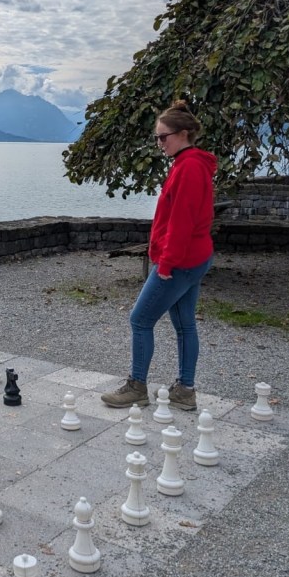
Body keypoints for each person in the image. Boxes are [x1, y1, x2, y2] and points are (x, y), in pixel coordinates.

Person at [102, 100, 217, 412]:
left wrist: (165, 263)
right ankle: (185, 390)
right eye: (157, 137)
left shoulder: (190, 167)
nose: (159, 143)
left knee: (140, 319)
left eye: (162, 137)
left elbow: (182, 221)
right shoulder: (187, 163)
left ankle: (137, 387)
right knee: (184, 325)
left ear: (182, 134)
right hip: (194, 257)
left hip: (181, 261)